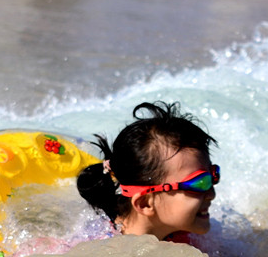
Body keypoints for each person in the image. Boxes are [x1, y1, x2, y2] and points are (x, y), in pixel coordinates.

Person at [77, 101, 219, 242]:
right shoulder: (104, 253)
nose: (211, 194)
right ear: (145, 203)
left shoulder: (186, 232)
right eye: (200, 182)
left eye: (213, 176)